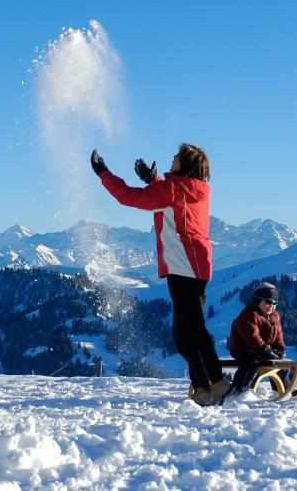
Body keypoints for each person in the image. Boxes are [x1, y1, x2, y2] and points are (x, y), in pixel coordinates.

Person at [90, 143, 229, 406]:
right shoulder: (193, 188)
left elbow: (129, 197)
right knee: (185, 333)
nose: (172, 159)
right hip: (193, 264)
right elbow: (169, 200)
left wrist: (103, 173)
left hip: (184, 265)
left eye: (176, 157)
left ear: (185, 164)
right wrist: (153, 180)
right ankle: (203, 387)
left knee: (193, 330)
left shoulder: (175, 190)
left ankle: (216, 383)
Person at [228, 283, 287, 395]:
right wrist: (264, 349)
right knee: (251, 363)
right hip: (243, 350)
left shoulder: (274, 316)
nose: (272, 306)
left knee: (282, 364)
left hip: (262, 349)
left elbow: (278, 334)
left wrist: (279, 348)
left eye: (275, 303)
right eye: (268, 302)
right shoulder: (249, 315)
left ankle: (284, 389)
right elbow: (252, 336)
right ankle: (240, 389)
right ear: (258, 300)